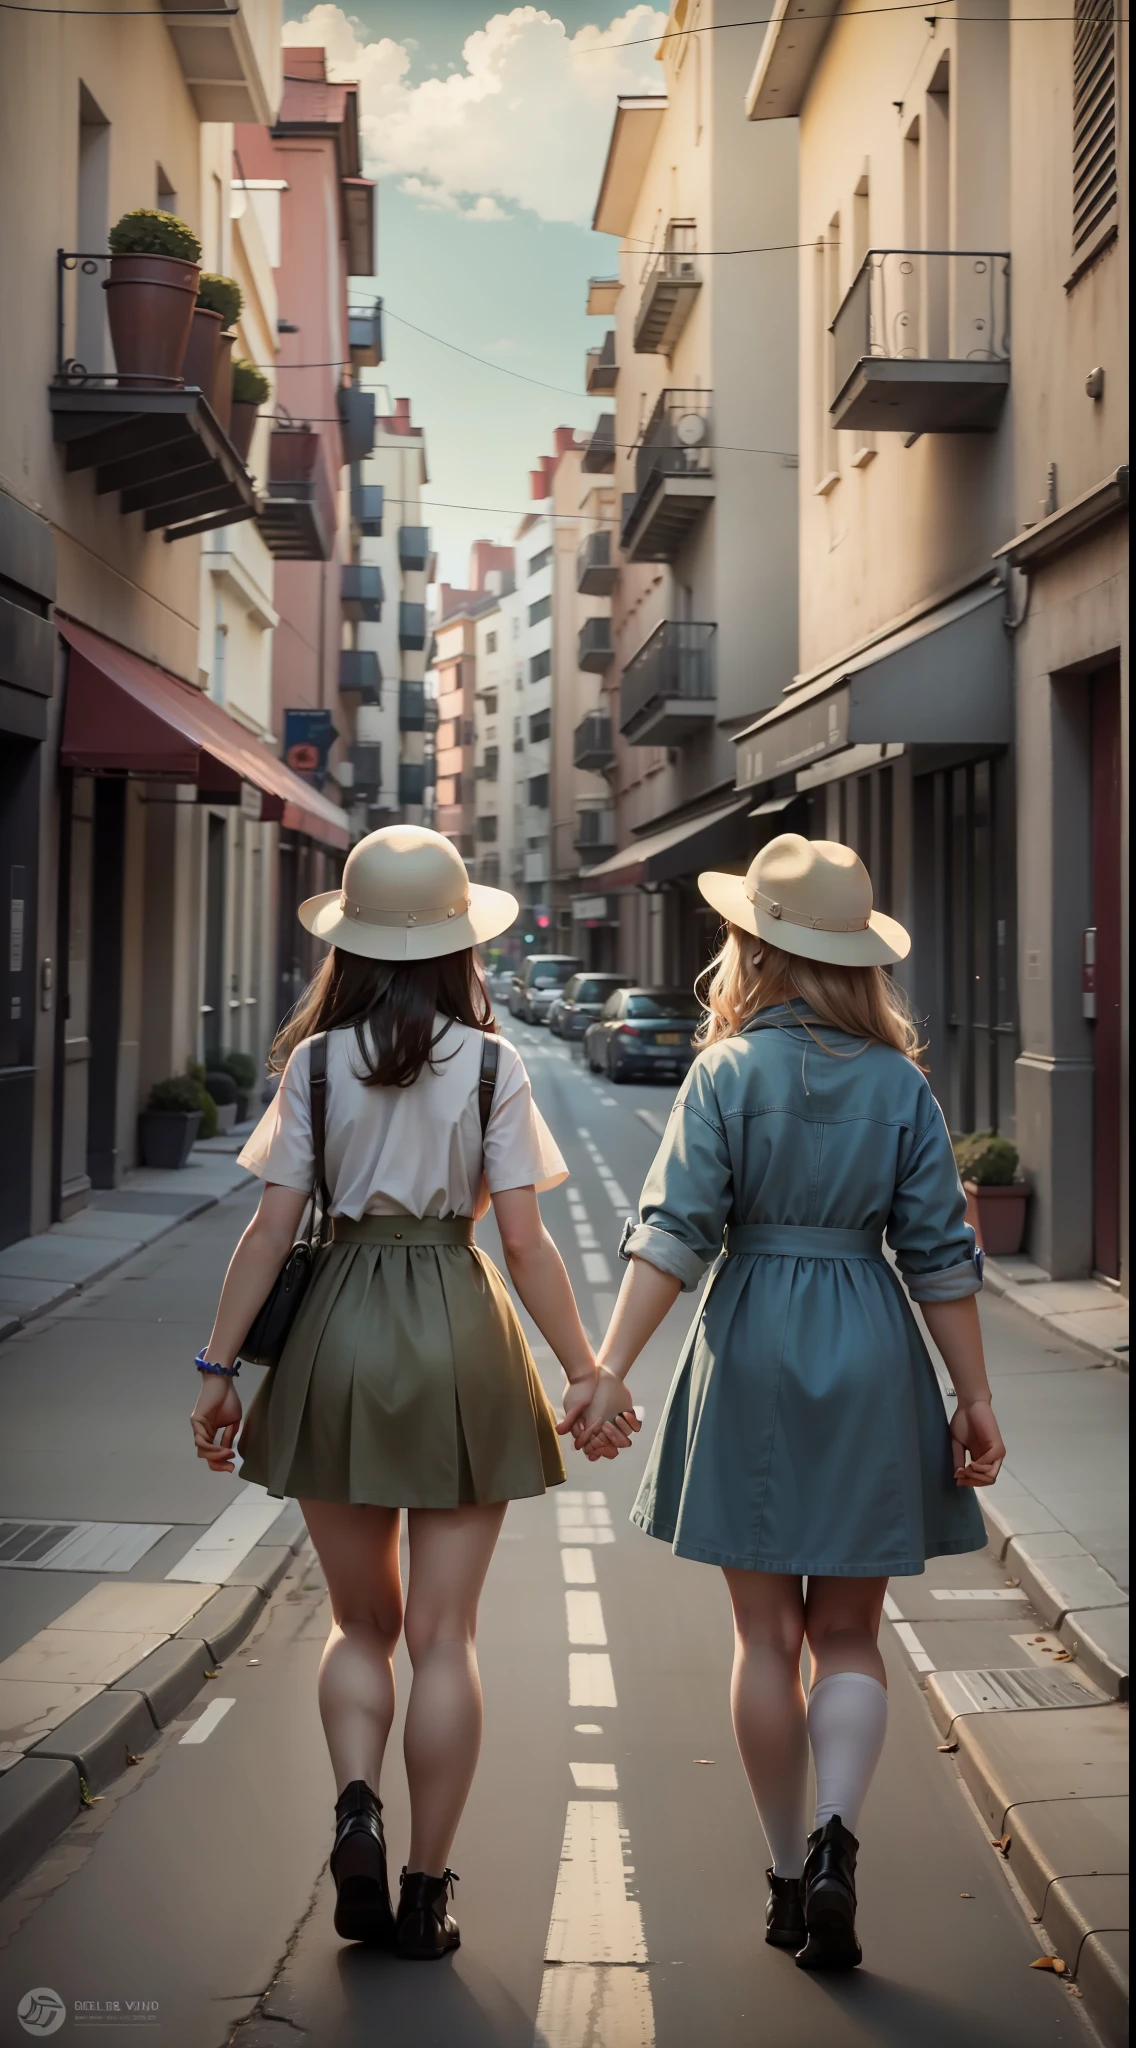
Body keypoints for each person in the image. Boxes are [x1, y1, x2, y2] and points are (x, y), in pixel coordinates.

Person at [576, 834, 1006, 1971]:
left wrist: (610, 1364)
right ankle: (836, 1842)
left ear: (754, 945)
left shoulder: (724, 1073)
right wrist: (972, 1398)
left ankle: (780, 1873)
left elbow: (672, 1231)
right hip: (869, 1337)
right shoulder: (900, 1083)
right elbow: (940, 1256)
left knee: (765, 1636)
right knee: (850, 1634)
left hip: (752, 1335)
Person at [190, 826, 599, 1960]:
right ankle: (425, 1889)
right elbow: (522, 1243)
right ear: (462, 940)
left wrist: (218, 1373)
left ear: (353, 944)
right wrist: (583, 1369)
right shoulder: (492, 1063)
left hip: (339, 1336)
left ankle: (356, 1801)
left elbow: (269, 1230)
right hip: (460, 1333)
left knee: (359, 1622)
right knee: (443, 1630)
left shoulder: (312, 1064)